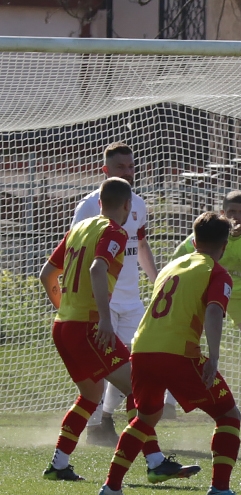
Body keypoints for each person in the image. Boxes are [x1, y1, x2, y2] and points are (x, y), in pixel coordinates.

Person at [39, 177, 199, 483]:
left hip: (63, 326)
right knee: (138, 387)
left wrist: (65, 308)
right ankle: (154, 462)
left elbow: (48, 274)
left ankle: (59, 464)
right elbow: (97, 268)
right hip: (89, 327)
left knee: (91, 394)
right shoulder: (114, 231)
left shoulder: (78, 229)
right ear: (127, 205)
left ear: (99, 203)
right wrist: (105, 319)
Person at [98, 212, 241, 495]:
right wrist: (214, 356)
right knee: (228, 415)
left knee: (145, 418)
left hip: (142, 350)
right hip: (177, 353)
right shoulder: (216, 272)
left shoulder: (172, 267)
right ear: (224, 246)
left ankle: (111, 486)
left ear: (194, 241)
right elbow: (212, 311)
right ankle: (220, 489)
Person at [70, 142, 173, 447]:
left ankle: (107, 417)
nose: (128, 172)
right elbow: (75, 253)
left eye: (130, 166)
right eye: (120, 167)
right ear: (105, 171)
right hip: (101, 300)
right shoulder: (90, 206)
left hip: (131, 300)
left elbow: (141, 247)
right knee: (100, 365)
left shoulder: (138, 204)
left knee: (137, 361)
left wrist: (157, 282)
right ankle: (93, 427)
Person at [169, 191, 241, 404]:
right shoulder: (212, 233)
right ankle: (169, 401)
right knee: (185, 341)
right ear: (222, 213)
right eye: (231, 212)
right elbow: (177, 259)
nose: (237, 217)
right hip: (206, 291)